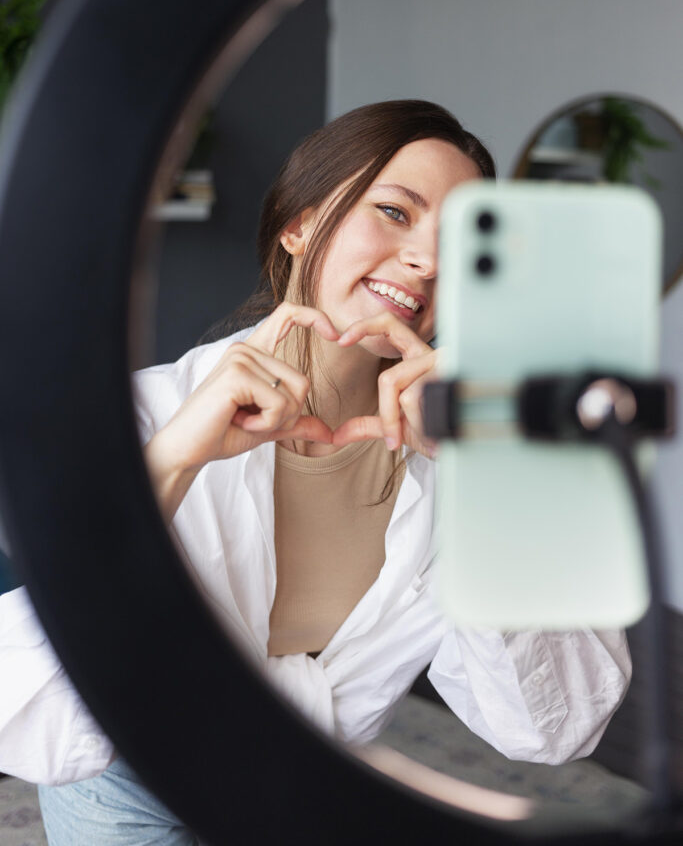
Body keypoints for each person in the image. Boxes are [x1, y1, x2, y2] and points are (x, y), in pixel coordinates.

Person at [0, 100, 631, 845]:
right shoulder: (142, 413)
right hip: (126, 783)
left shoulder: (464, 453)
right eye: (394, 212)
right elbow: (27, 709)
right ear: (298, 226)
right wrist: (173, 461)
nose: (428, 259)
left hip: (310, 780)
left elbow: (551, 727)